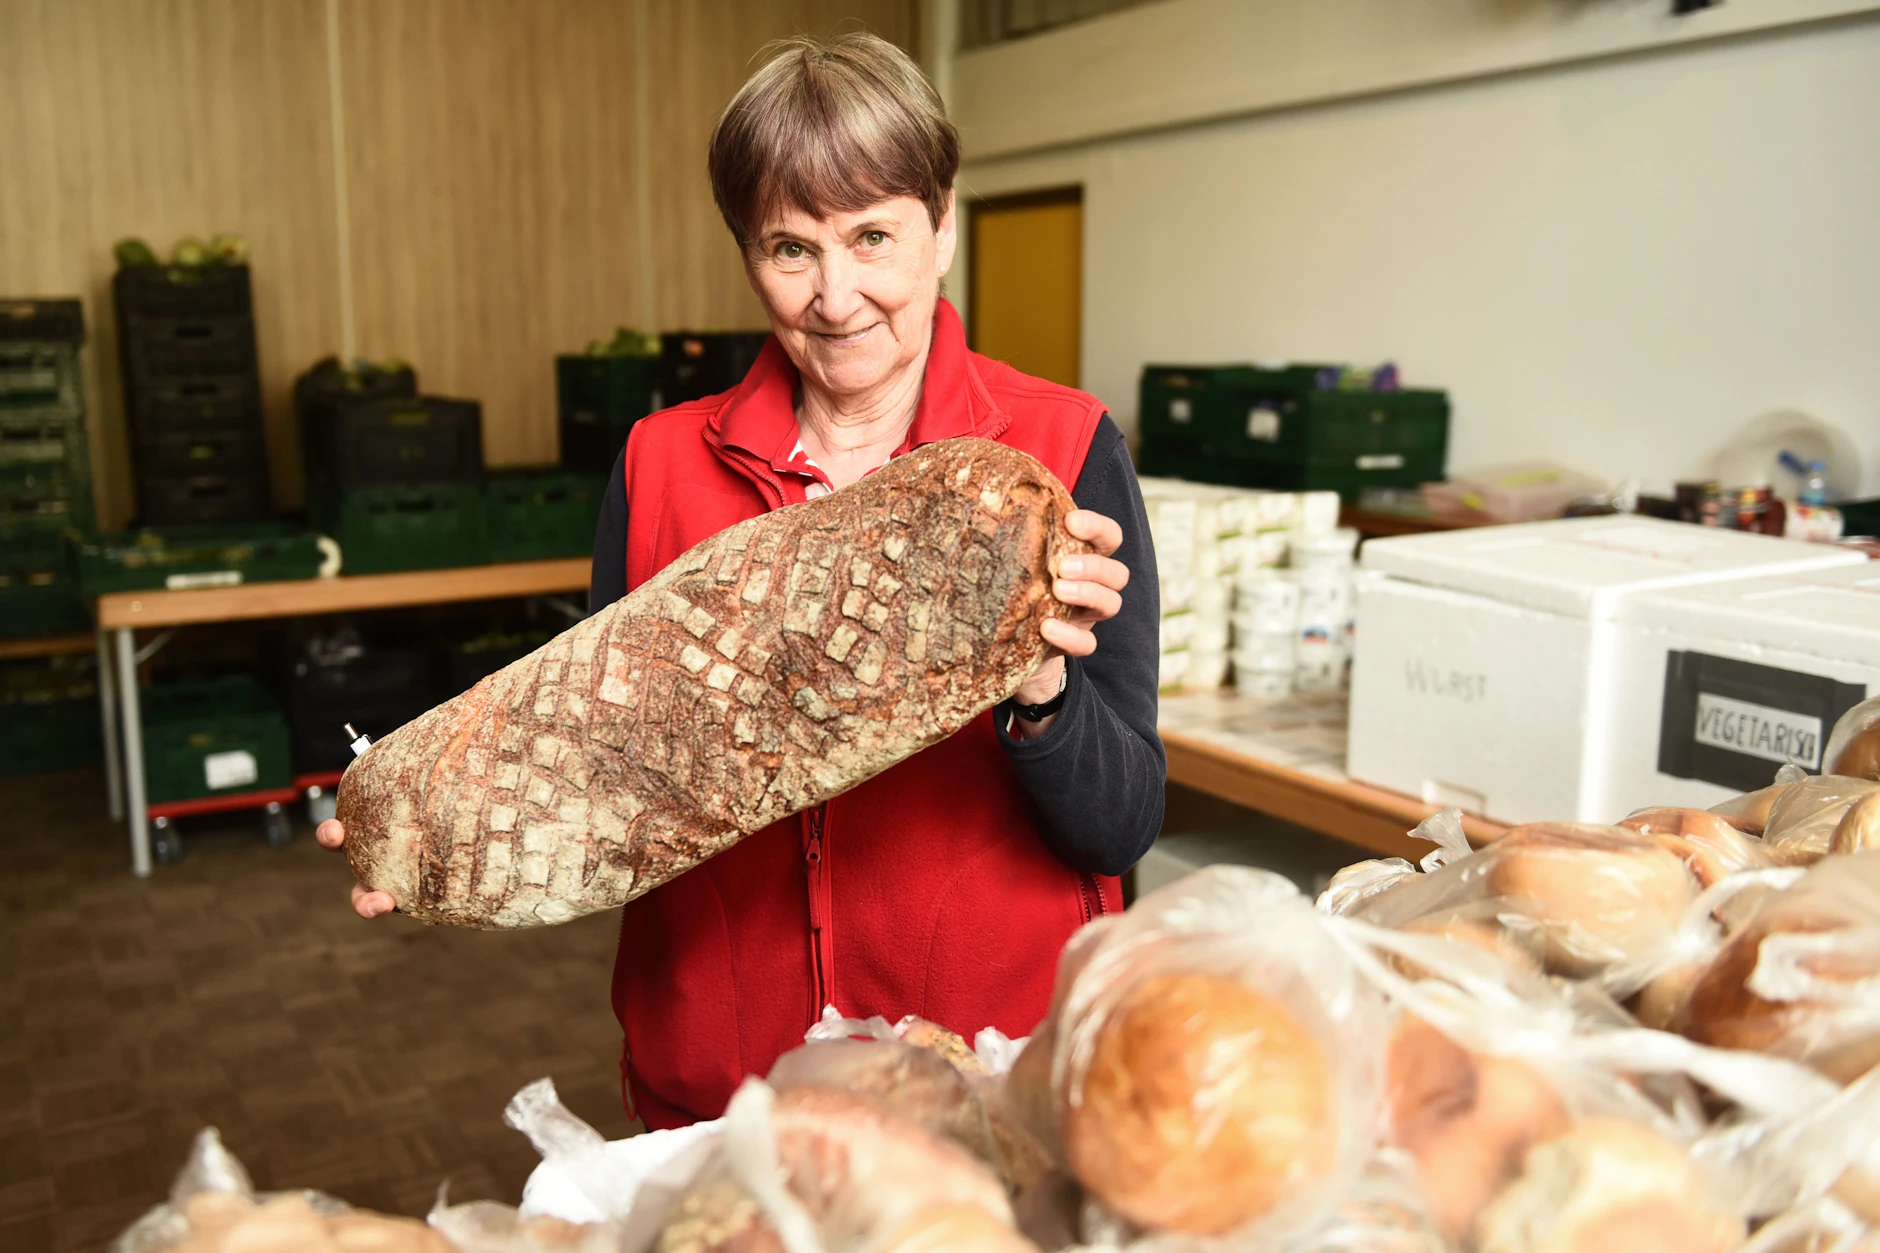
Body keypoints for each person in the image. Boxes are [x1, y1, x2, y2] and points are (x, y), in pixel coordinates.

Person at [316, 32, 1164, 1130]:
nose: (836, 294)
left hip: (980, 1078)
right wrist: (438, 816)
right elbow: (597, 765)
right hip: (723, 1089)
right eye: (789, 247)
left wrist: (1037, 684)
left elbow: (1122, 823)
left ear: (943, 224)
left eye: (872, 236)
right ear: (744, 250)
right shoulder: (658, 462)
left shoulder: (1061, 451)